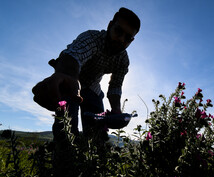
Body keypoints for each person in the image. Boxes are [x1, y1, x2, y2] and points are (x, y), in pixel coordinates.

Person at [32, 7, 141, 140]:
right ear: (110, 25)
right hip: (70, 83)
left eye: (128, 38)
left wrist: (116, 110)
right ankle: (63, 156)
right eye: (118, 31)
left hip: (93, 89)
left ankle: (92, 158)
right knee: (66, 129)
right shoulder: (92, 38)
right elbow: (73, 56)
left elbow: (115, 86)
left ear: (132, 40)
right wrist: (67, 76)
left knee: (98, 134)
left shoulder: (123, 60)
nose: (121, 40)